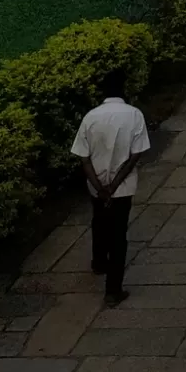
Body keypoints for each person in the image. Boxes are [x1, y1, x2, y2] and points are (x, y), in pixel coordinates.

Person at [70, 68, 150, 305]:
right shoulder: (134, 115)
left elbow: (83, 158)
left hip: (97, 186)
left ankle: (98, 262)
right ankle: (113, 290)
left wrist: (101, 187)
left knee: (98, 220)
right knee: (118, 234)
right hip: (122, 188)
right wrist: (114, 186)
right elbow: (135, 155)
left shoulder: (90, 117)